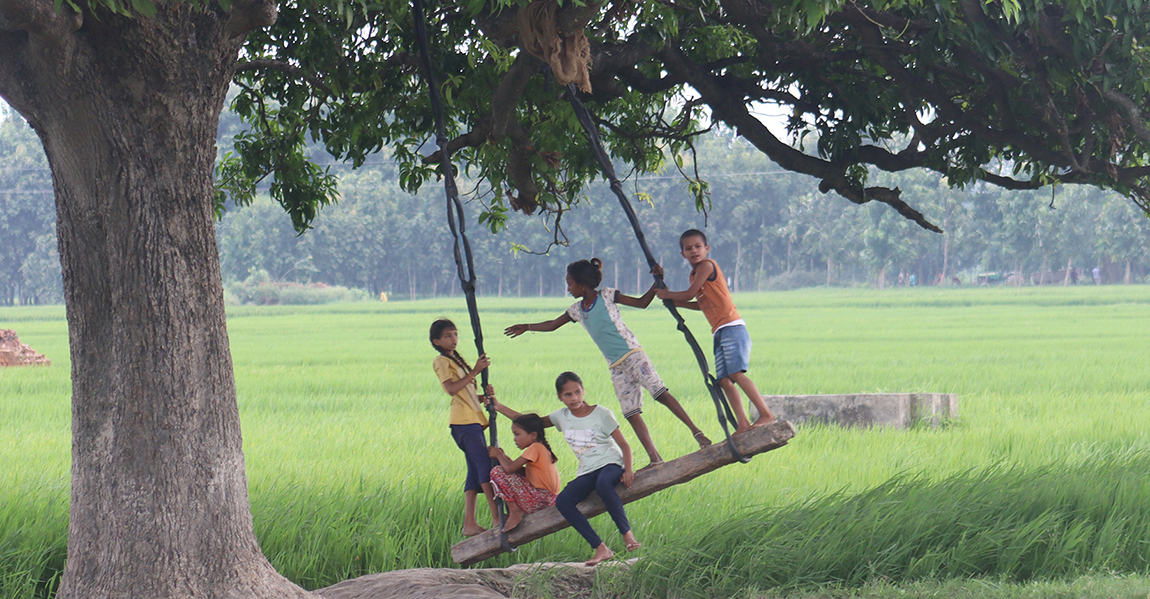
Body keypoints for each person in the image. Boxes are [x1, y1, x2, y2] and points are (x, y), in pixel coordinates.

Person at [504, 258, 711, 468]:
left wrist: (656, 284)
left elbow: (641, 303)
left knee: (661, 395)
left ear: (581, 283)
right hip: (615, 366)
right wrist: (527, 326)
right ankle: (655, 458)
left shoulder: (607, 295)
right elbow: (553, 324)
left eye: (570, 283)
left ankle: (697, 432)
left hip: (633, 355)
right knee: (631, 413)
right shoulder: (577, 310)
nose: (568, 288)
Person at [490, 371, 640, 566]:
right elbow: (528, 423)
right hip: (587, 470)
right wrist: (498, 406)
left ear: (583, 390)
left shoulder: (601, 413)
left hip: (610, 463)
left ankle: (627, 534)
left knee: (604, 485)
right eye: (568, 395)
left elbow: (624, 445)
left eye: (577, 392)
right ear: (560, 397)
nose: (574, 398)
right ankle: (600, 548)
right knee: (563, 501)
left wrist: (628, 470)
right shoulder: (561, 416)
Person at [657, 229, 776, 433]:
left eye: (697, 246)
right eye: (688, 248)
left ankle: (766, 413)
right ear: (683, 254)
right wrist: (672, 301)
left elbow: (690, 294)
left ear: (707, 249)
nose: (694, 251)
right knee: (724, 381)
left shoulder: (706, 266)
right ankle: (743, 424)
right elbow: (700, 302)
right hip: (719, 331)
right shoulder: (694, 274)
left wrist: (668, 294)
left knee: (736, 374)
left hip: (732, 327)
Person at [430, 318, 499, 537]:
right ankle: (497, 517)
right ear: (437, 341)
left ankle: (470, 523)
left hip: (471, 421)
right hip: (464, 423)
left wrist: (483, 396)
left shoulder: (457, 360)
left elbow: (467, 395)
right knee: (484, 467)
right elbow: (451, 389)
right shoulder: (441, 361)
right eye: (447, 336)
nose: (453, 339)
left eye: (455, 334)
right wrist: (474, 372)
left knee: (473, 472)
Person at [486, 413, 561, 532]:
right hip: (548, 500)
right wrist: (505, 458)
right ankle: (515, 512)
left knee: (497, 471)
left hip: (540, 498)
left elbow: (509, 469)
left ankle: (515, 511)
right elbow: (519, 470)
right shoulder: (541, 448)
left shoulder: (535, 447)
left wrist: (499, 455)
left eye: (517, 434)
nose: (514, 439)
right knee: (505, 471)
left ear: (533, 435)